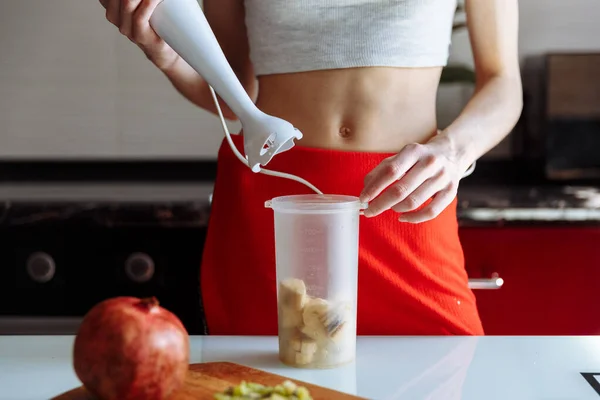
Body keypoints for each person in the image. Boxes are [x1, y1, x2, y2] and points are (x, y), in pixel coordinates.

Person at [98, 0, 522, 336]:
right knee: (262, 381)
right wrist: (166, 54)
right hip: (273, 208)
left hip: (403, 199)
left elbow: (503, 81)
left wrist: (451, 152)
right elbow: (234, 95)